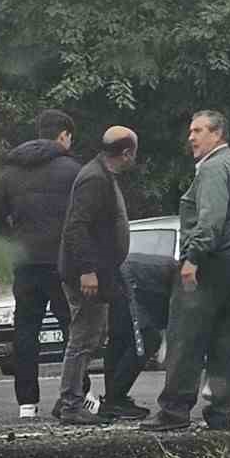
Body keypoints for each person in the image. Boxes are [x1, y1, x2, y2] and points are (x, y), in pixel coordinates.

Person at [141, 110, 230, 432]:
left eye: (198, 131)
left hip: (213, 261)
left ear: (218, 134)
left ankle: (174, 411)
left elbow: (210, 220)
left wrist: (193, 258)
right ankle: (220, 412)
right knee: (229, 341)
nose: (191, 138)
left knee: (186, 337)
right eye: (190, 131)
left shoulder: (213, 168)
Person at [0, 109, 84, 418]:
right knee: (73, 329)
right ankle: (80, 394)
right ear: (64, 135)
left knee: (25, 331)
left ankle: (27, 402)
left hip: (26, 264)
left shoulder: (11, 173)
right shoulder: (73, 171)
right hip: (61, 263)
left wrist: (15, 238)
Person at [54, 127, 138, 425]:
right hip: (85, 275)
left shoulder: (101, 174)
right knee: (83, 338)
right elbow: (76, 227)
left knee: (91, 336)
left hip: (99, 272)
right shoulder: (95, 179)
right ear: (126, 153)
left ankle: (70, 398)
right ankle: (70, 403)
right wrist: (88, 270)